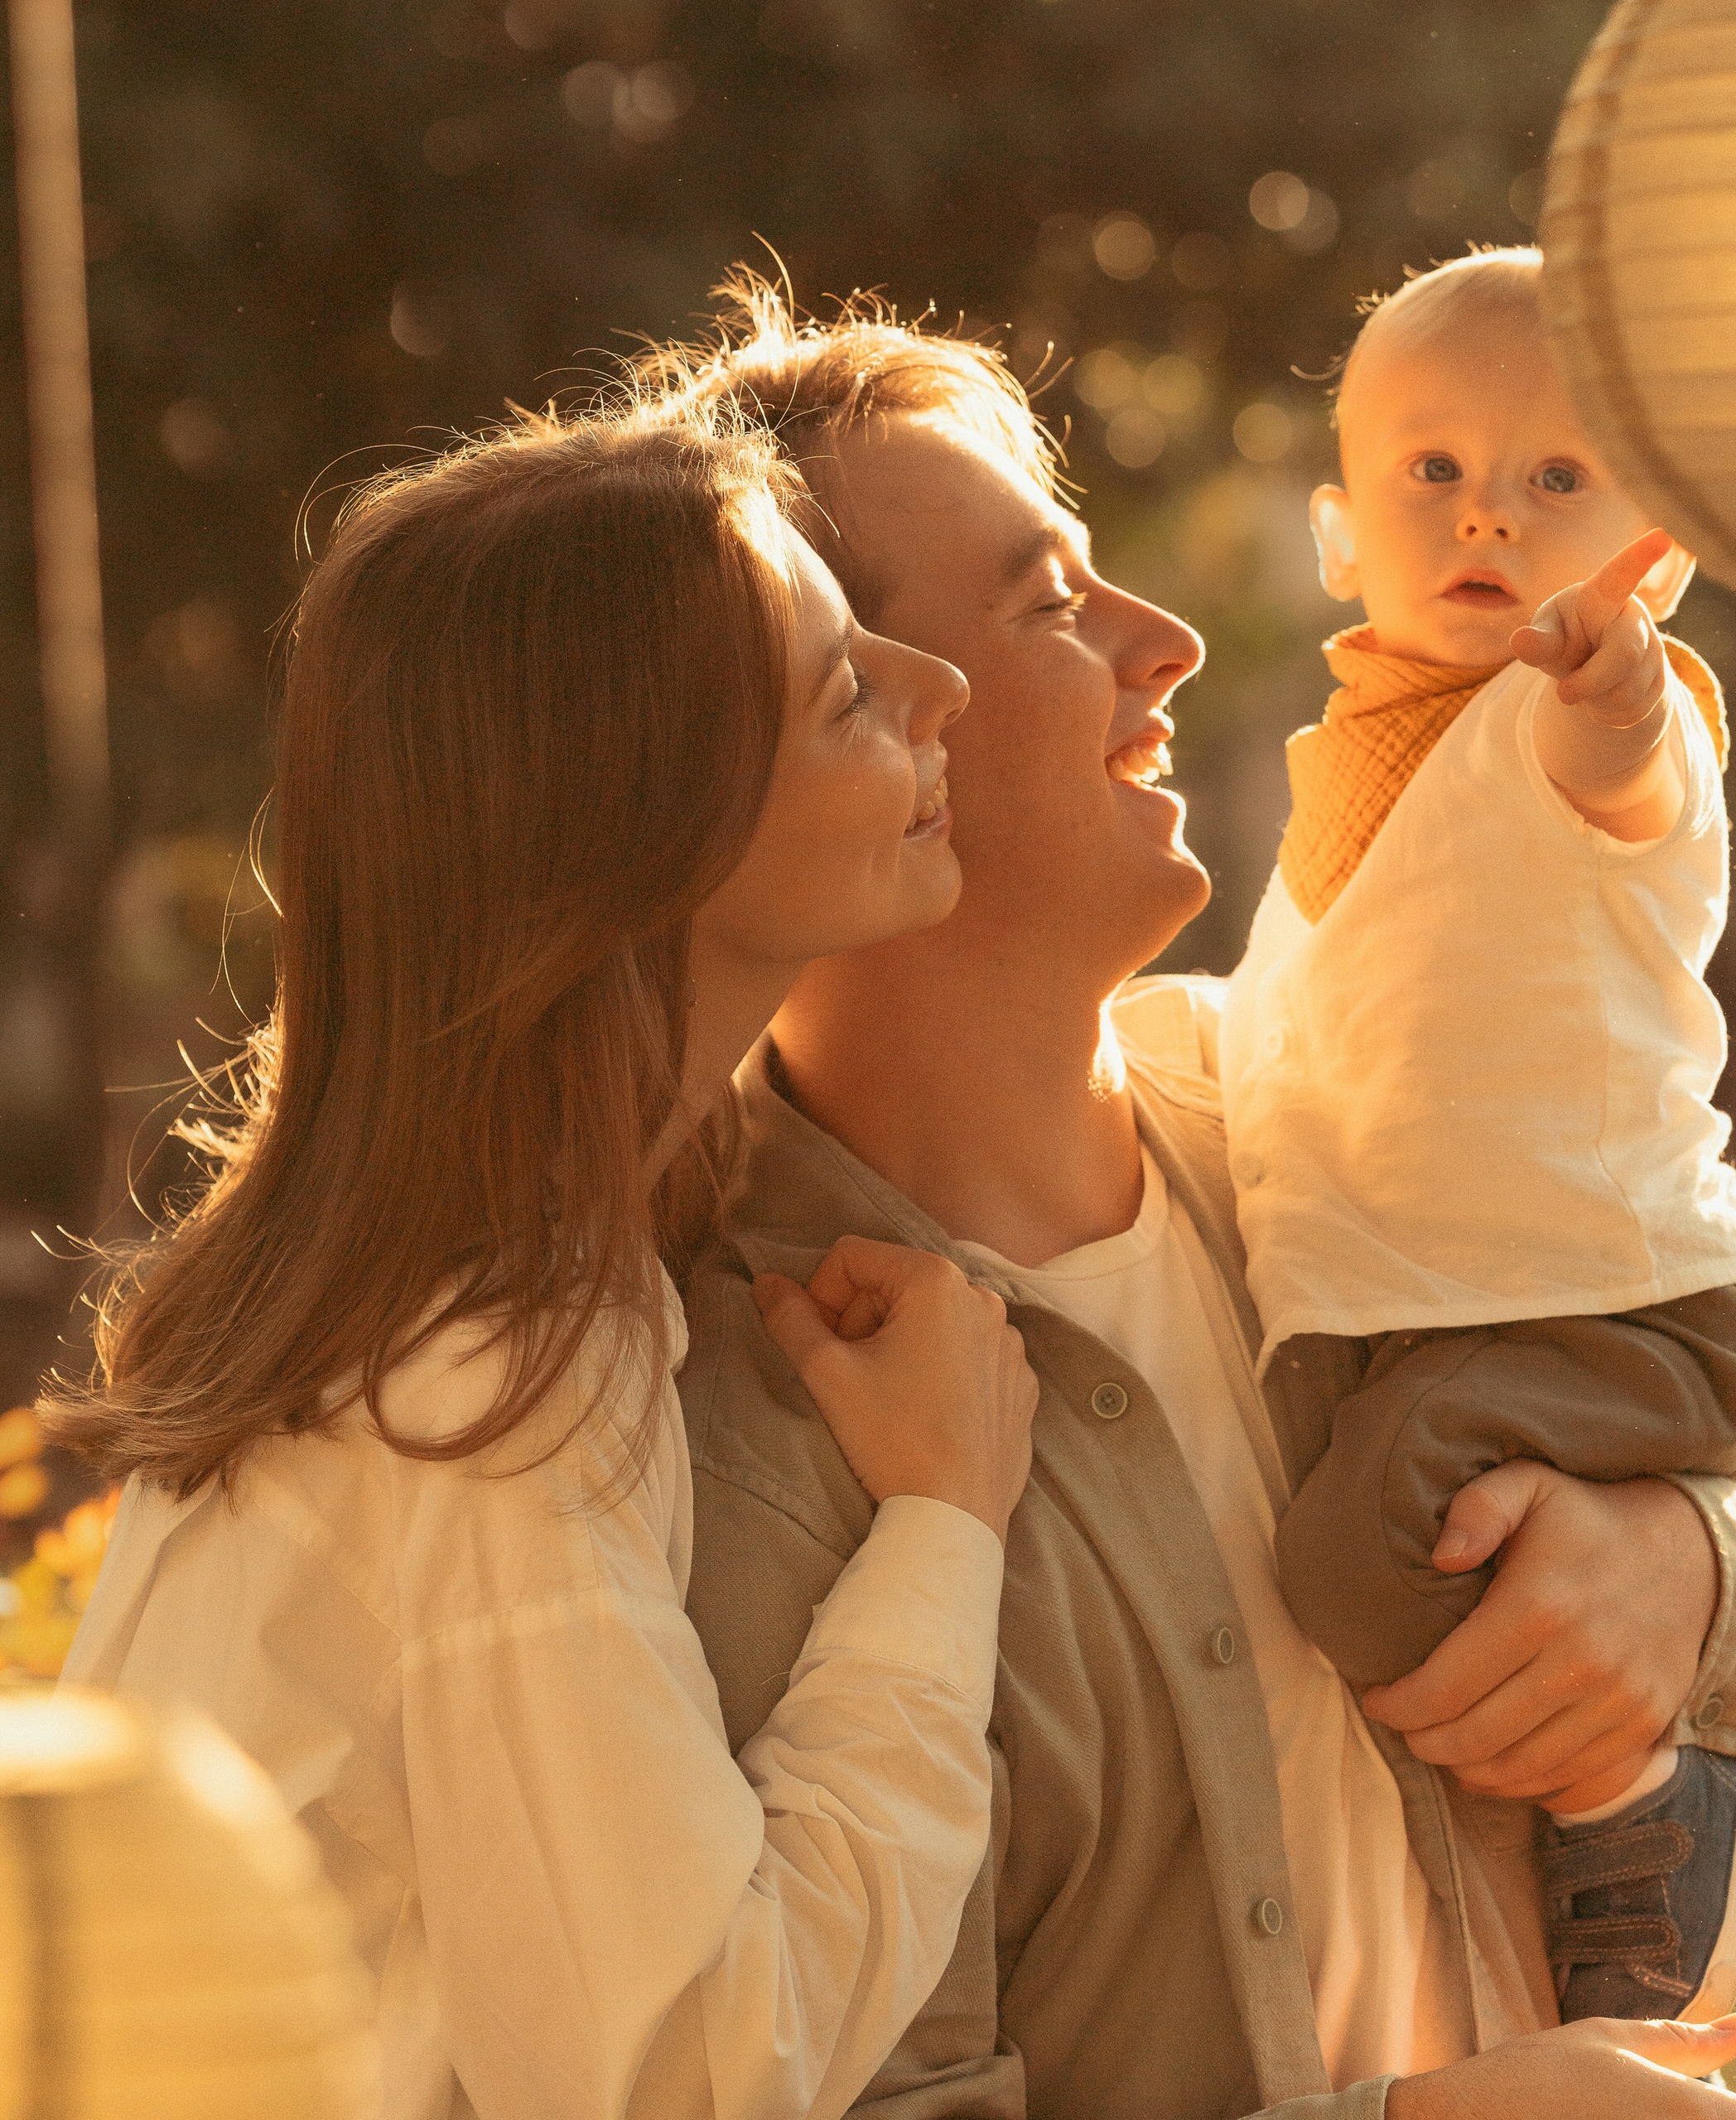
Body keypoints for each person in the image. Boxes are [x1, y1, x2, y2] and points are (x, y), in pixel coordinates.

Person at [670, 280, 1736, 2120]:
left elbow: (1729, 1444)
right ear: (841, 722)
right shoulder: (739, 1437)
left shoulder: (1339, 1118)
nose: (1174, 643)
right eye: (1053, 602)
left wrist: (1695, 1568)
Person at [50, 383, 1042, 2120]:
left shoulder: (458, 1284)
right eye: (843, 694)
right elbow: (695, 2063)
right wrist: (943, 1529)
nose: (939, 689)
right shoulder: (480, 1365)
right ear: (635, 831)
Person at [1219, 245, 1736, 2026]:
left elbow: (1623, 773)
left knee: (1346, 1556)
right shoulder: (1365, 753)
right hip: (1470, 1314)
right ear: (1336, 533)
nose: (1491, 515)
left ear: (1660, 551)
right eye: (1433, 471)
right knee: (1374, 1526)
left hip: (1611, 1309)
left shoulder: (1585, 721)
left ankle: (1639, 1801)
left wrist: (1610, 692)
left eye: (1558, 481)